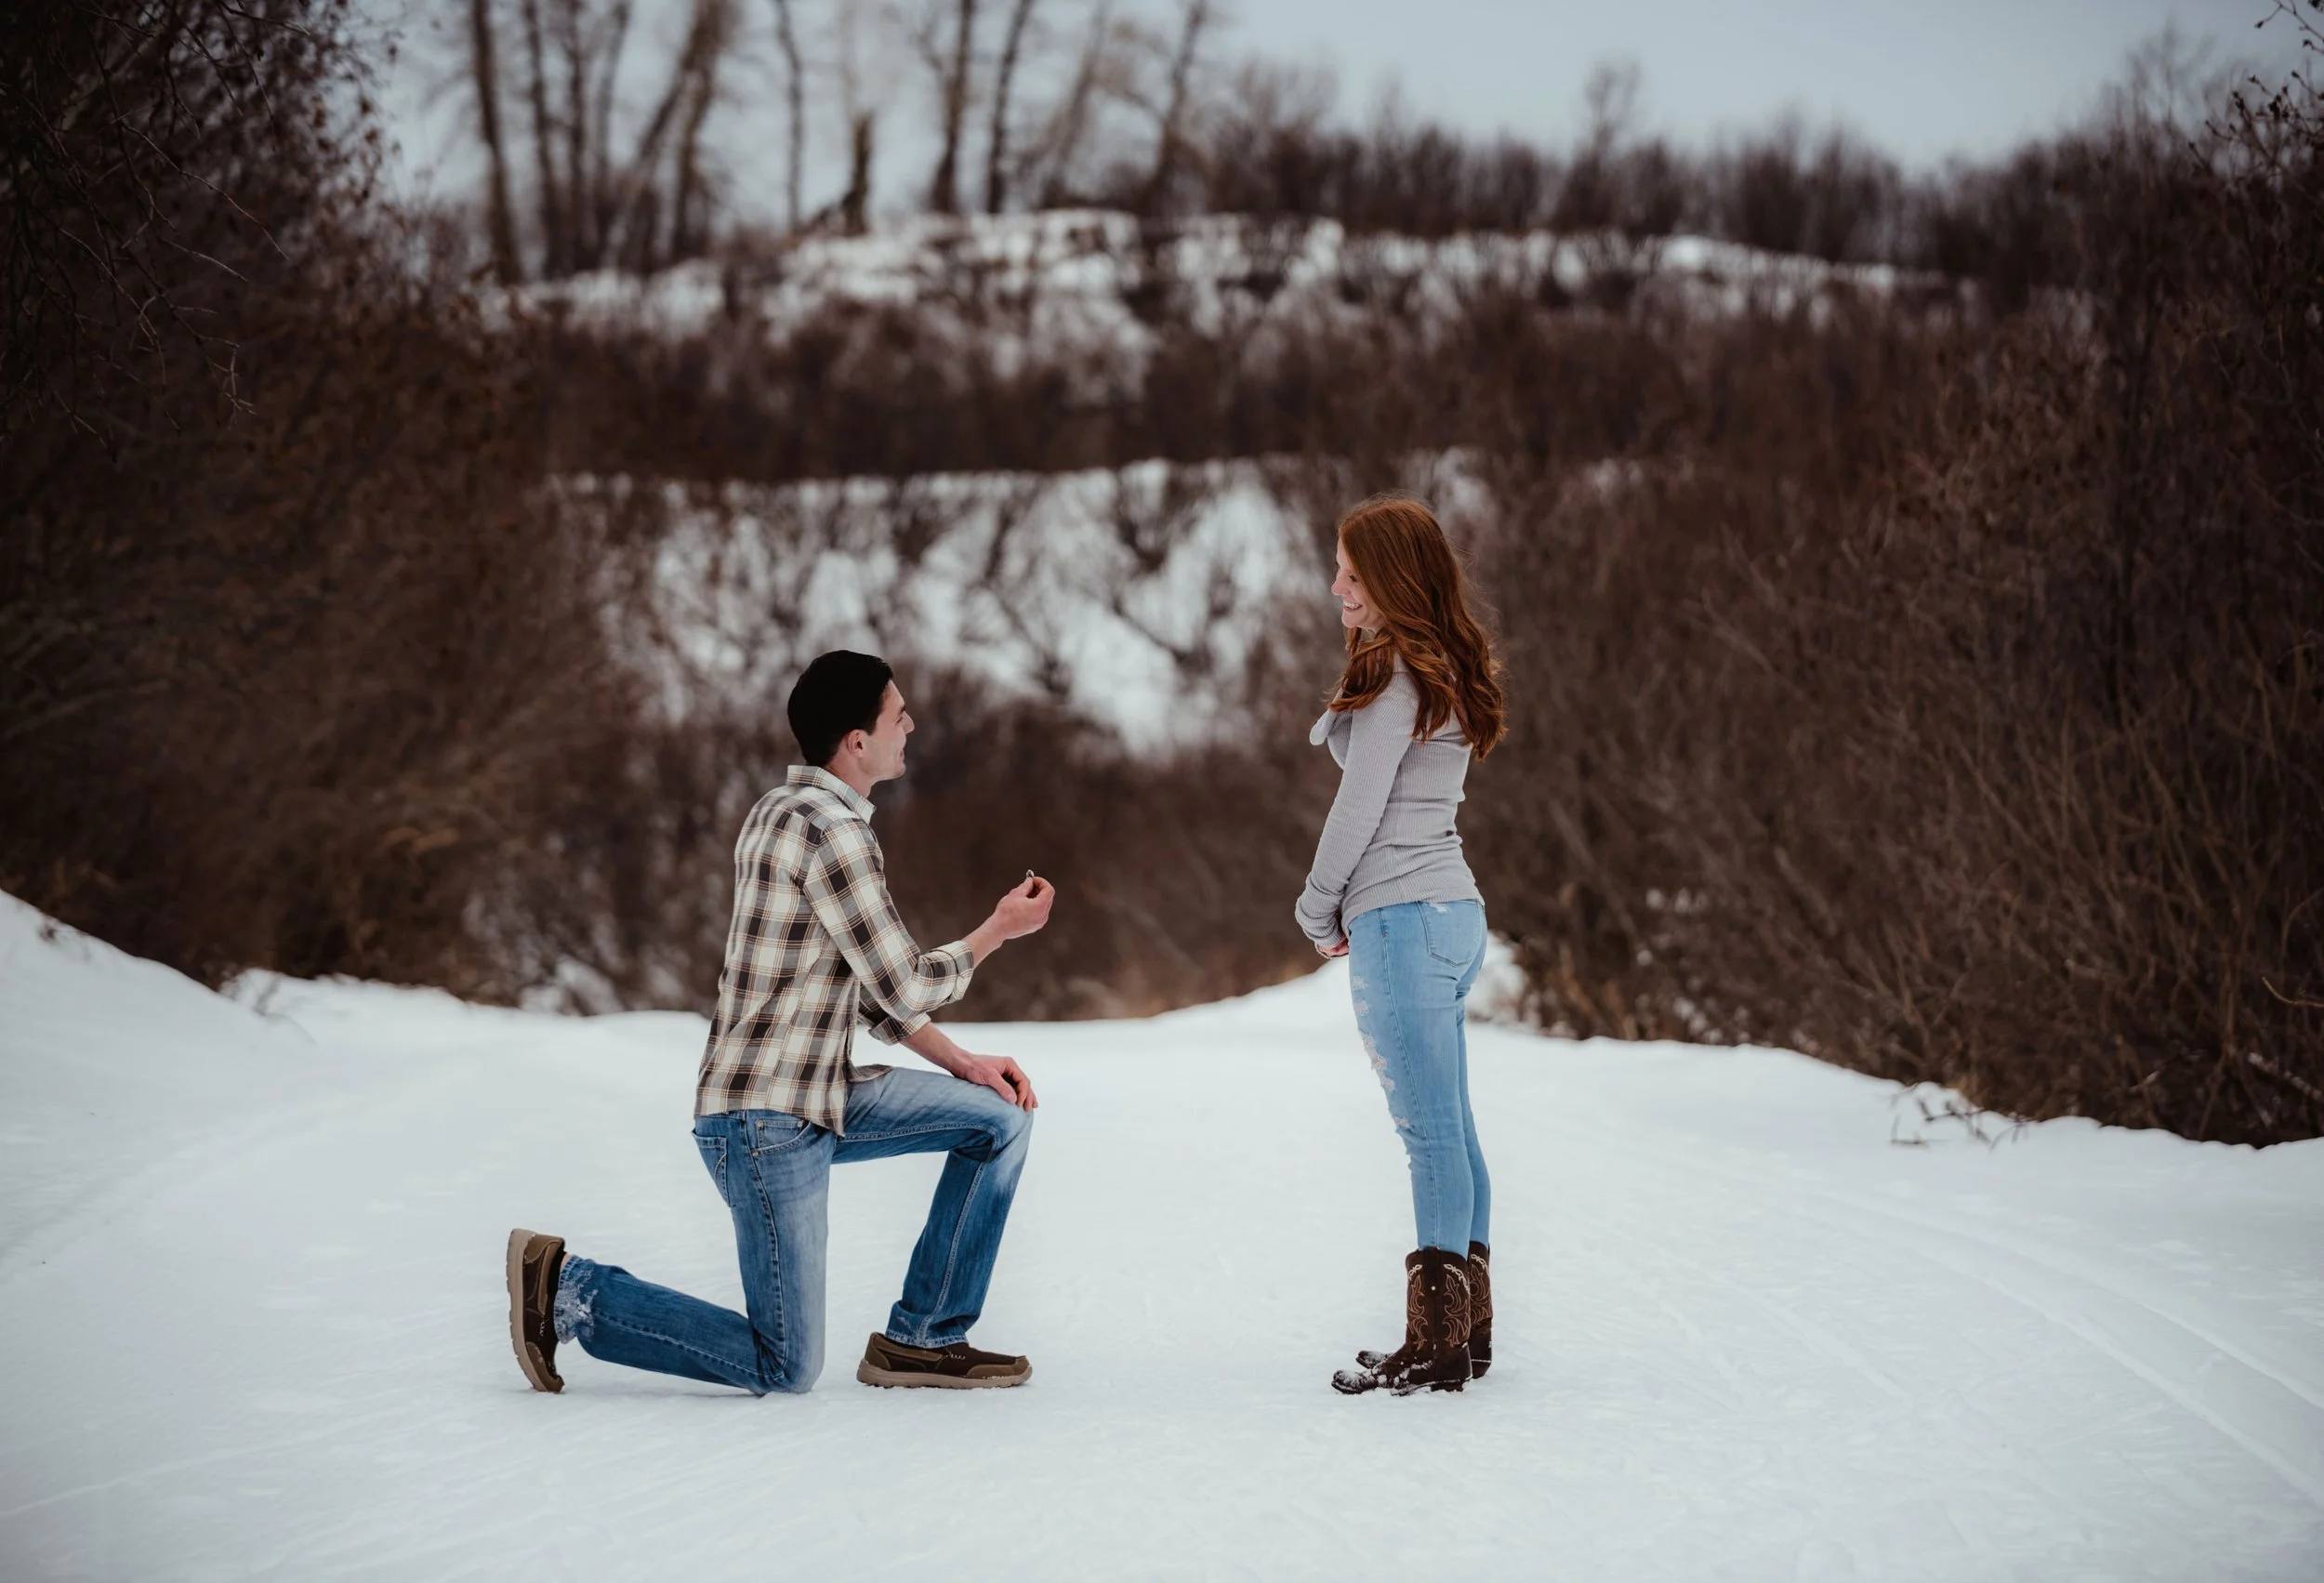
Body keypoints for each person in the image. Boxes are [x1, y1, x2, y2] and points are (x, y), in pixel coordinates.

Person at [506, 650, 1055, 1395]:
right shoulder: (834, 832)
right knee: (786, 1362)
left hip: (814, 1095)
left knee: (998, 1118)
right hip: (766, 1121)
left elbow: (864, 993)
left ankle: (924, 1337)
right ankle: (571, 1289)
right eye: (898, 714)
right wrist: (997, 928)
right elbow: (902, 980)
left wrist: (962, 1063)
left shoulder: (778, 811)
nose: (911, 724)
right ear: (856, 741)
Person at [1296, 495, 1507, 1396]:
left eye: (1351, 570)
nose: (1336, 585)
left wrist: (1315, 905)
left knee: (1428, 1136)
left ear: (1390, 578)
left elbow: (1361, 808)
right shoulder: (1433, 668)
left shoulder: (1395, 682)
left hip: (1400, 916)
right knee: (1450, 1130)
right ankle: (1467, 1333)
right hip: (1450, 915)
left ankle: (1438, 1347)